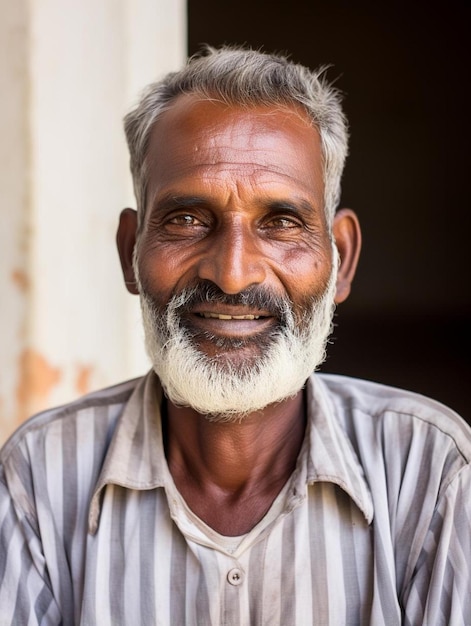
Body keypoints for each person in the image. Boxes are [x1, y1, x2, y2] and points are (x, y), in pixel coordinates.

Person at [0, 45, 469, 626]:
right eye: (187, 219)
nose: (232, 272)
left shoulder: (429, 472)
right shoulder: (40, 475)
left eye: (281, 223)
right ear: (130, 252)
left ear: (341, 260)